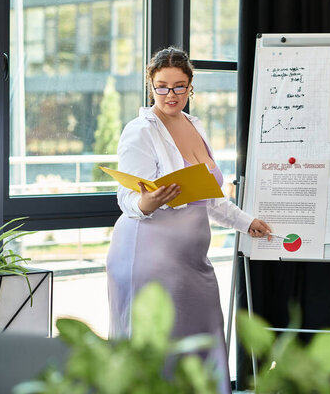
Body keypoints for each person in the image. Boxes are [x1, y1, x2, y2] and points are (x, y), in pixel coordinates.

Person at [106, 46, 272, 394]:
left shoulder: (194, 125)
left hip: (192, 262)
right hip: (149, 255)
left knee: (202, 337)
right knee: (158, 347)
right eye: (162, 86)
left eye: (179, 86)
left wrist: (246, 221)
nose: (171, 95)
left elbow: (208, 196)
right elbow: (127, 199)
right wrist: (147, 201)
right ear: (150, 85)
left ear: (191, 87)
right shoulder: (141, 130)